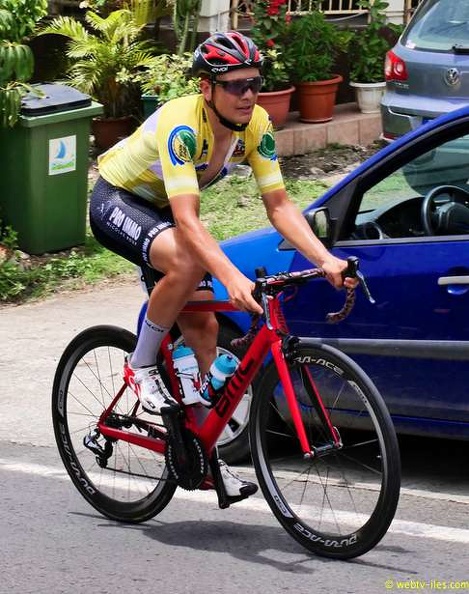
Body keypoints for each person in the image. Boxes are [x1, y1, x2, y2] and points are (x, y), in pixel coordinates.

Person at [89, 30, 357, 503]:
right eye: (235, 85)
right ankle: (140, 364)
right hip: (119, 199)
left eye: (254, 83)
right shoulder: (184, 125)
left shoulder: (256, 126)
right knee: (191, 262)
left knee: (205, 333)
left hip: (167, 214)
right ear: (206, 88)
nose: (248, 95)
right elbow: (190, 221)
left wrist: (326, 259)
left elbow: (279, 206)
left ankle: (202, 458)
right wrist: (231, 276)